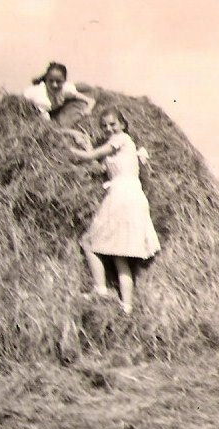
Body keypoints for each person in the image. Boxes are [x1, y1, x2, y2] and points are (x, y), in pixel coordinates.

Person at [66, 107, 160, 314]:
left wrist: (72, 151)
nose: (109, 129)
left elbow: (93, 156)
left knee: (89, 242)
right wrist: (87, 146)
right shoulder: (119, 146)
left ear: (123, 125)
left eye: (113, 124)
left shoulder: (123, 139)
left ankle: (100, 289)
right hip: (129, 195)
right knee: (120, 254)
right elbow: (101, 165)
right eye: (104, 126)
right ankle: (126, 306)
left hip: (122, 196)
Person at [23, 62, 95, 121]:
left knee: (84, 87)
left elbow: (90, 100)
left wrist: (88, 109)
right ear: (46, 80)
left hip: (59, 104)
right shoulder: (40, 96)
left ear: (64, 81)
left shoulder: (66, 88)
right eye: (51, 81)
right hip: (42, 109)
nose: (54, 85)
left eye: (58, 81)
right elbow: (47, 122)